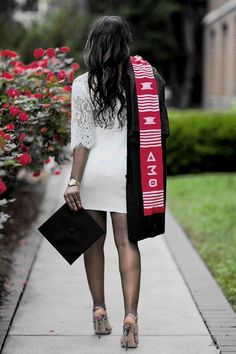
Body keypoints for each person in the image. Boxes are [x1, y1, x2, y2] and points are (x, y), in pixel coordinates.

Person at [64, 15, 169, 350]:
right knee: (127, 244)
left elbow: (82, 140)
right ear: (126, 43)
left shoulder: (82, 84)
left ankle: (99, 311)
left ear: (94, 43)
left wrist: (73, 182)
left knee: (92, 244)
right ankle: (131, 318)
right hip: (129, 176)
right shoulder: (146, 81)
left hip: (94, 174)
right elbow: (161, 132)